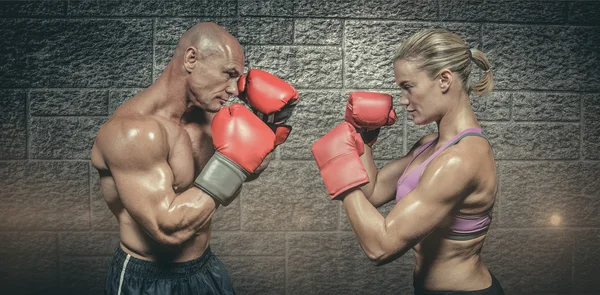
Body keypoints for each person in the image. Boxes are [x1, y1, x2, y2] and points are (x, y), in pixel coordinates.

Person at [91, 22, 298, 295]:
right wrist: (234, 162)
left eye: (238, 78)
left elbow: (239, 176)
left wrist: (267, 129)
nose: (235, 89)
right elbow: (167, 229)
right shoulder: (134, 132)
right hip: (147, 280)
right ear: (191, 59)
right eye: (228, 73)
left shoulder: (210, 120)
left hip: (204, 267)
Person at [312, 28, 504, 294]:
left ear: (444, 80)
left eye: (408, 87)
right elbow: (373, 190)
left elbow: (380, 247)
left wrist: (339, 168)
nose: (402, 101)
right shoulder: (429, 144)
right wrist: (363, 139)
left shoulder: (461, 159)